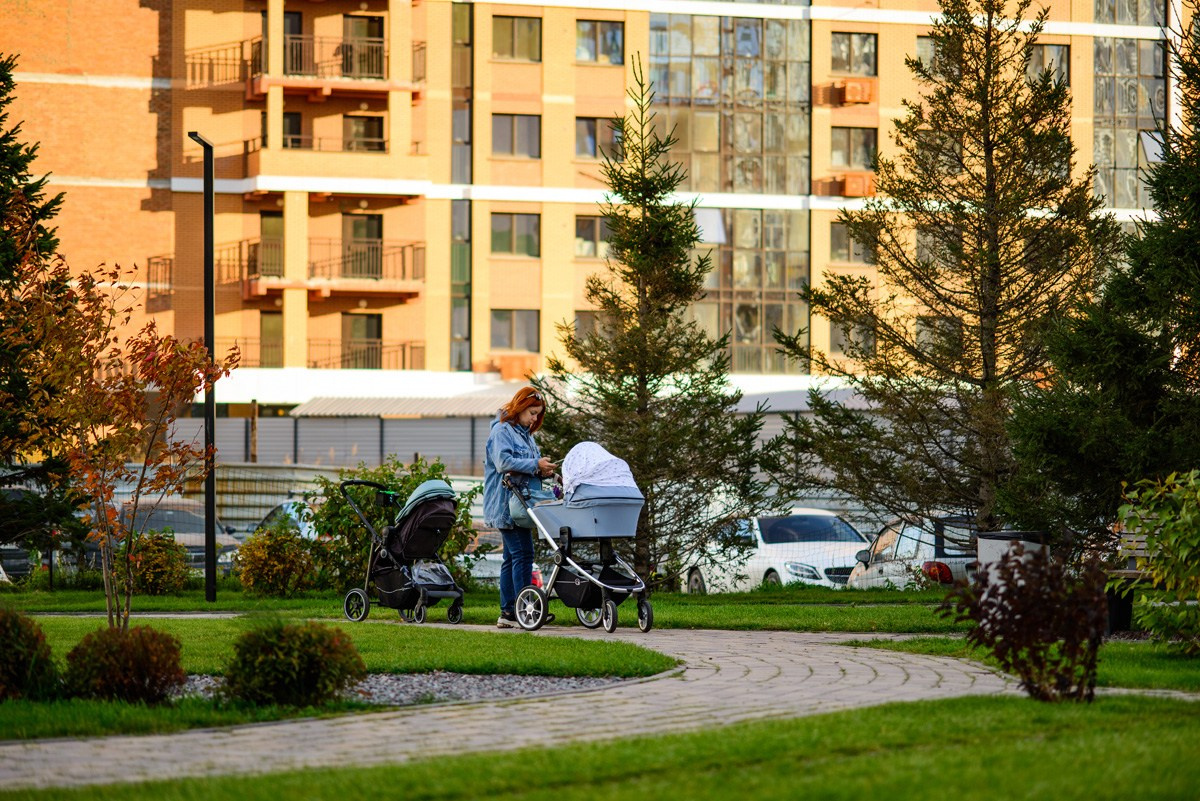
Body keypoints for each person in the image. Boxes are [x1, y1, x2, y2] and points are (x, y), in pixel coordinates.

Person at [483, 387, 557, 628]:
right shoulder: (502, 431)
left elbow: (527, 467)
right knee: (523, 554)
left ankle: (508, 613)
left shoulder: (526, 435)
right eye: (532, 413)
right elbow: (503, 462)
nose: (535, 419)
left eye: (538, 414)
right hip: (506, 505)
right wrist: (535, 463)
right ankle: (524, 610)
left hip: (521, 503)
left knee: (511, 557)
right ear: (520, 407)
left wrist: (543, 470)